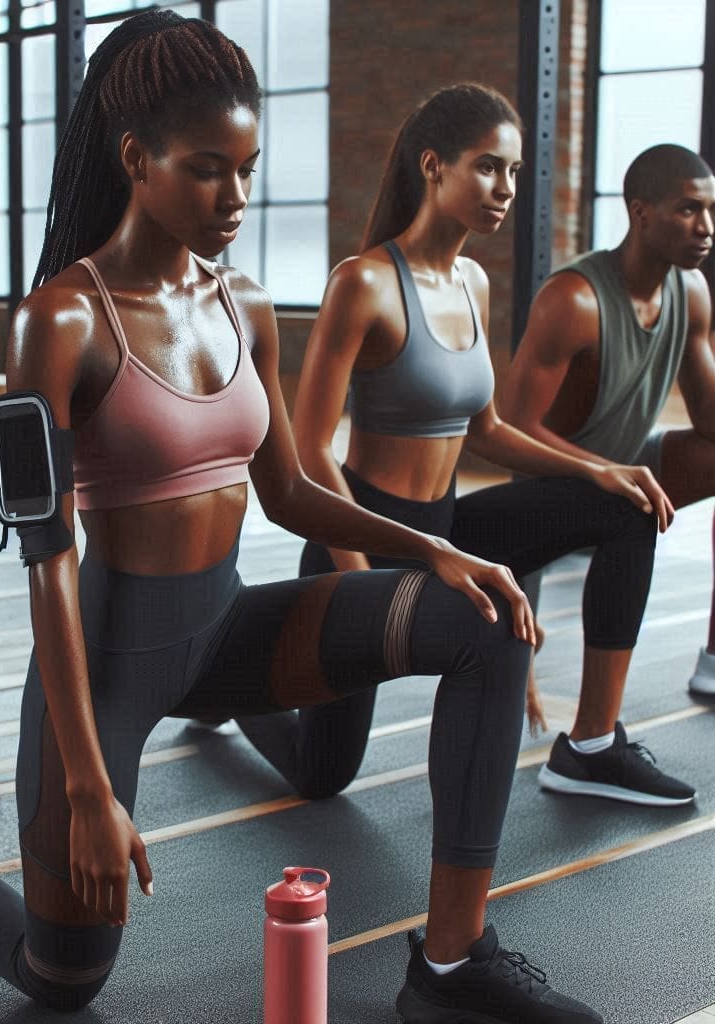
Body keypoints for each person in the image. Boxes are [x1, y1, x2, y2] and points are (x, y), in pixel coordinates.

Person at [0, 14, 601, 1024]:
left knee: (486, 623)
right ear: (137, 158)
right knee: (63, 977)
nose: (234, 197)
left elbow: (291, 491)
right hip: (105, 667)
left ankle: (451, 965)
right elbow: (47, 562)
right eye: (206, 169)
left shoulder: (249, 304)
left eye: (248, 168)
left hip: (227, 631)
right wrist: (90, 790)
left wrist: (439, 548)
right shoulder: (56, 322)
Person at [266, 83, 693, 812]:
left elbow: (489, 431)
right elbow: (309, 454)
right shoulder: (362, 283)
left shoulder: (473, 280)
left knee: (623, 507)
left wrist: (607, 469)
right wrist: (361, 578)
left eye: (516, 173)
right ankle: (230, 696)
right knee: (321, 776)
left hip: (449, 528)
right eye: (489, 168)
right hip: (365, 539)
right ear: (434, 167)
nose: (506, 189)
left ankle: (592, 745)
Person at [503, 144, 715, 713]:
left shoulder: (691, 293)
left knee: (640, 493)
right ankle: (595, 740)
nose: (707, 228)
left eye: (712, 211)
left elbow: (710, 424)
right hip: (554, 480)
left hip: (625, 466)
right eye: (690, 210)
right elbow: (512, 433)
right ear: (641, 212)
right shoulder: (573, 300)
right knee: (633, 506)